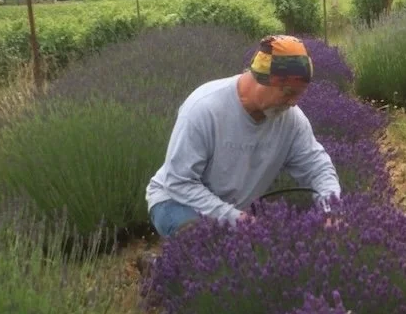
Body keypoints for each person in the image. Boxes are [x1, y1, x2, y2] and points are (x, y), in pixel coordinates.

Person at [145, 34, 341, 238]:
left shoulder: (291, 121)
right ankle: (159, 267)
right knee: (201, 241)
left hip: (233, 209)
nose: (293, 102)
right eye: (288, 92)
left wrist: (332, 208)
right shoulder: (205, 108)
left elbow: (317, 167)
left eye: (299, 94)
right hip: (175, 201)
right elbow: (179, 182)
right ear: (262, 80)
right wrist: (235, 218)